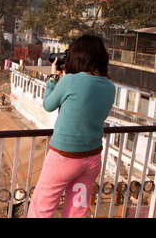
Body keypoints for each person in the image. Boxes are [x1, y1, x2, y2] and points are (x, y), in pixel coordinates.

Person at [27, 35, 116, 218]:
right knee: (77, 210)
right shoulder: (110, 87)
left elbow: (48, 105)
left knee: (42, 207)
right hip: (92, 159)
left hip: (64, 158)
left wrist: (53, 78)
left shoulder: (70, 81)